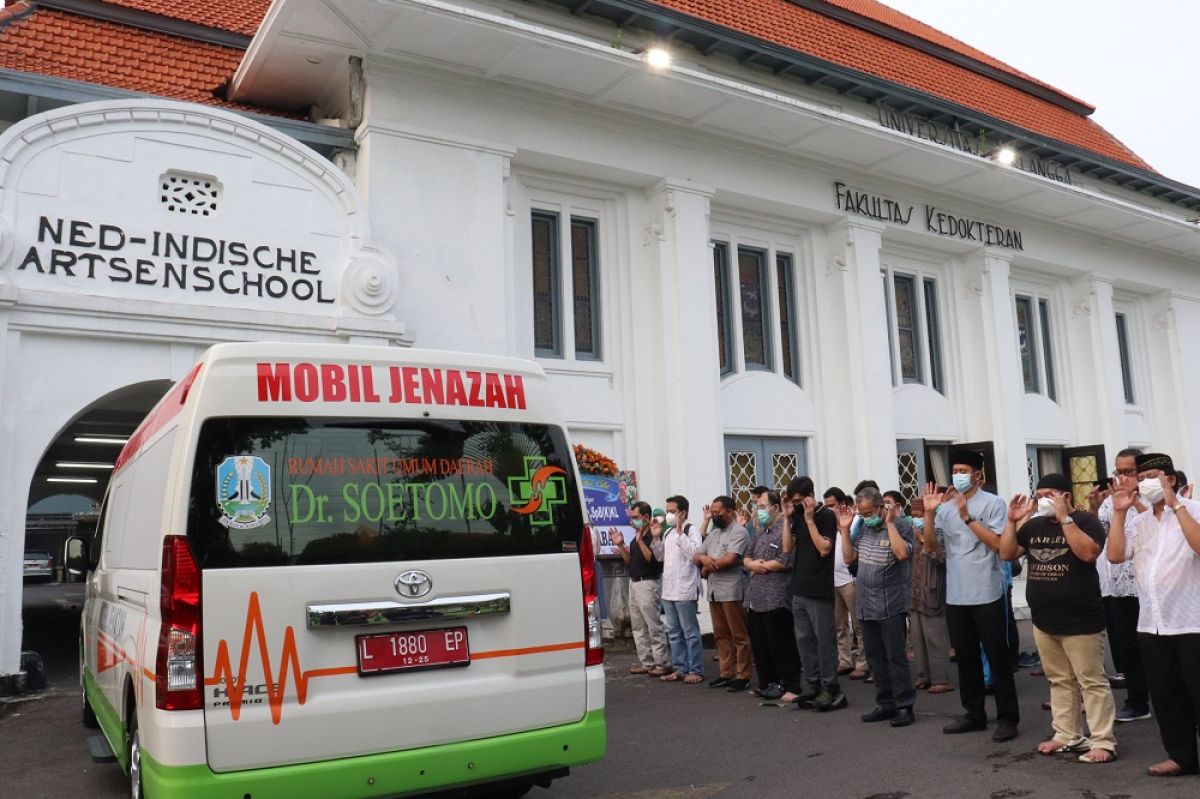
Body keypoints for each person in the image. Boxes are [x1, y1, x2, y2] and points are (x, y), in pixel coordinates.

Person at [1000, 474, 1117, 764]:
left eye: (1050, 494)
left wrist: (1066, 519)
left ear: (1065, 496)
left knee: (1091, 681)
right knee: (1059, 680)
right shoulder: (1034, 525)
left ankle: (1103, 741)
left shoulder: (1087, 521)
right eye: (1039, 495)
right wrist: (1012, 521)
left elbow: (1088, 553)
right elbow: (1006, 553)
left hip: (1080, 620)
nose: (1043, 500)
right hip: (1044, 619)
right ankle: (1067, 735)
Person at [1107, 453, 1200, 777]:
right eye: (1141, 477)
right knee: (1166, 696)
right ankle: (1182, 757)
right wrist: (1119, 514)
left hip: (1191, 622)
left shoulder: (1194, 511)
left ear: (1171, 479)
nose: (1145, 483)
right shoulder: (1138, 522)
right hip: (1152, 624)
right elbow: (1115, 555)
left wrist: (1177, 506)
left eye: (1153, 476)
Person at [922, 450, 1020, 742]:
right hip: (956, 594)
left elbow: (999, 545)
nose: (958, 475)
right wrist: (929, 513)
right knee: (965, 658)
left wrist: (967, 517)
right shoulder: (945, 507)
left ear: (978, 474)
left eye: (963, 469)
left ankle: (1008, 717)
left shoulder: (993, 503)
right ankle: (974, 714)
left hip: (987, 590)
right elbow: (930, 547)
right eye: (954, 470)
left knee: (997, 656)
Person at [839, 487, 916, 727]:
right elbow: (849, 558)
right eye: (861, 513)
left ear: (881, 507)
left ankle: (905, 705)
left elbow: (902, 554)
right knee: (875, 658)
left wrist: (890, 524)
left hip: (890, 603)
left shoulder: (900, 525)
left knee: (895, 657)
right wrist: (844, 529)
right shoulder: (862, 527)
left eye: (869, 512)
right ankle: (885, 703)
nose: (865, 517)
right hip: (866, 604)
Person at [1091, 448, 1152, 723]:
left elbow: (1158, 527)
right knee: (1127, 646)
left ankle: (1175, 699)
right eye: (1119, 472)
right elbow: (1098, 536)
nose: (1123, 477)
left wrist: (1136, 501)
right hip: (1118, 584)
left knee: (1158, 648)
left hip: (1150, 586)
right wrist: (1102, 506)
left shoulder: (1155, 497)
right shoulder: (1110, 503)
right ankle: (1137, 701)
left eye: (1129, 472)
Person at [783, 476, 846, 711]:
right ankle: (812, 684)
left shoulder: (826, 516)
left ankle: (830, 687)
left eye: (799, 500)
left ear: (810, 496)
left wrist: (810, 521)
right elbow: (788, 548)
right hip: (799, 588)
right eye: (793, 501)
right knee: (804, 641)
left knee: (824, 642)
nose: (796, 504)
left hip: (819, 589)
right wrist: (788, 518)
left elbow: (823, 549)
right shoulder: (797, 516)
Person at [743, 490, 803, 700]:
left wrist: (763, 566)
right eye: (757, 507)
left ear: (776, 507)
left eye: (762, 507)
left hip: (777, 597)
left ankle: (791, 685)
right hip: (756, 598)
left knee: (782, 644)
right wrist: (752, 564)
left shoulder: (784, 529)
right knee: (761, 645)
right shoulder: (762, 531)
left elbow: (786, 559)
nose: (759, 511)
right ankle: (768, 683)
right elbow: (747, 556)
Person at [696, 496, 753, 691]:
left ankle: (743, 675)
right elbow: (696, 555)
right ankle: (726, 672)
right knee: (720, 635)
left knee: (739, 635)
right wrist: (705, 560)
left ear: (730, 511)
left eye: (717, 512)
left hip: (732, 589)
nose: (713, 515)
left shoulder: (740, 532)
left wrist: (706, 567)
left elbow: (728, 561)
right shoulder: (713, 534)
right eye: (712, 512)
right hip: (714, 591)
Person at [612, 502, 672, 678]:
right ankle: (647, 662)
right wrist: (621, 545)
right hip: (634, 582)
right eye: (632, 517)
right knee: (637, 626)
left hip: (648, 583)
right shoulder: (636, 537)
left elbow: (652, 560)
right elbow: (630, 562)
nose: (634, 521)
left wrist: (640, 541)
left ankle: (662, 663)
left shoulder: (654, 536)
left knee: (653, 625)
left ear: (646, 517)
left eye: (636, 517)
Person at [908, 493, 953, 694]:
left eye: (921, 514)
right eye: (914, 514)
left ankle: (941, 678)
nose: (916, 518)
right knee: (918, 639)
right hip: (914, 592)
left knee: (935, 637)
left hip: (934, 590)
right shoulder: (909, 531)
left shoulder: (940, 532)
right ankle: (923, 676)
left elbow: (939, 557)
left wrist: (921, 536)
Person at [659, 495, 705, 685]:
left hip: (685, 588)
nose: (669, 515)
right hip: (669, 589)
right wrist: (655, 538)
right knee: (674, 632)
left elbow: (696, 554)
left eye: (672, 511)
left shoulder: (690, 530)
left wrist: (680, 533)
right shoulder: (667, 533)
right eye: (667, 511)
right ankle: (680, 668)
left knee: (690, 632)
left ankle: (696, 669)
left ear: (683, 513)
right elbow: (660, 557)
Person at [825, 487, 868, 679]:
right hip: (832, 581)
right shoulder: (826, 525)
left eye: (832, 506)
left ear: (843, 505)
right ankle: (844, 660)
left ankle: (863, 662)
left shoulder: (855, 524)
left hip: (851, 581)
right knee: (839, 625)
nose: (829, 510)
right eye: (826, 506)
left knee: (859, 624)